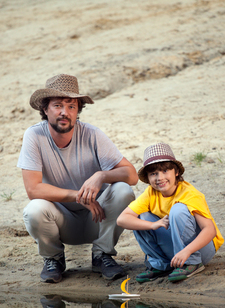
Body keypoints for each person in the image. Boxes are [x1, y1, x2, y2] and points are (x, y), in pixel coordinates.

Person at [17, 74, 138, 283]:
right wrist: (79, 196)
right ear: (45, 109)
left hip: (98, 219)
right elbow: (33, 189)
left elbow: (133, 175)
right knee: (33, 209)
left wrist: (101, 175)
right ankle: (53, 258)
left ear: (77, 111)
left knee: (123, 190)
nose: (65, 112)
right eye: (57, 105)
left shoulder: (92, 134)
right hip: (61, 222)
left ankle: (102, 254)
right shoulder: (34, 136)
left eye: (71, 106)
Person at [117, 143, 223, 283]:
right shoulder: (151, 193)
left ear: (176, 172)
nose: (159, 178)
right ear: (148, 178)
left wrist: (187, 251)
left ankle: (192, 264)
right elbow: (122, 219)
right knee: (142, 218)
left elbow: (210, 230)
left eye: (165, 171)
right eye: (153, 173)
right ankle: (161, 264)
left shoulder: (189, 193)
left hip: (199, 249)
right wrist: (152, 225)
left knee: (178, 210)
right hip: (177, 249)